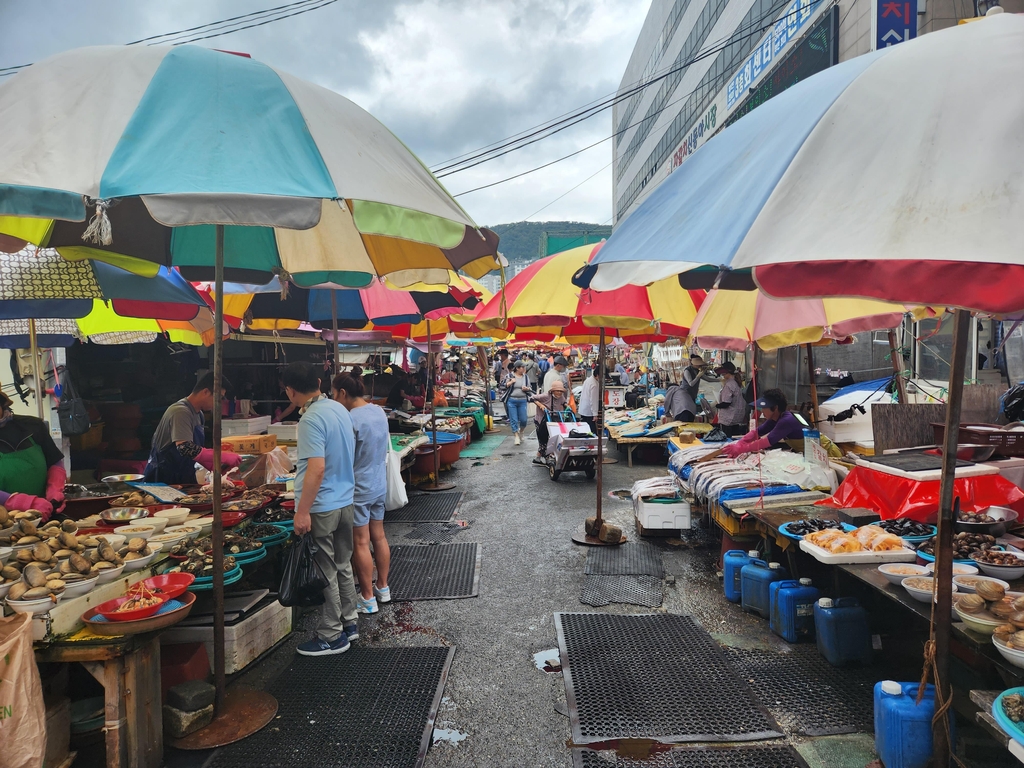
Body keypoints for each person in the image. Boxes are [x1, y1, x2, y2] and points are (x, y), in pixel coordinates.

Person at [286, 362, 360, 657]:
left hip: (323, 506)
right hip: (345, 501)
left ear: (290, 391)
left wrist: (302, 512)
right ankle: (350, 623)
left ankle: (332, 635)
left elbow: (316, 468)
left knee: (327, 569)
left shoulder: (311, 419)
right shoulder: (338, 409)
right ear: (318, 381)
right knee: (343, 565)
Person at [332, 373, 391, 615]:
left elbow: (343, 456)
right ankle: (383, 588)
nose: (333, 398)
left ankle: (367, 597)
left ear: (343, 393)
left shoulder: (349, 418)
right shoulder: (378, 411)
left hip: (359, 487)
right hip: (379, 483)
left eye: (333, 394)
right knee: (379, 536)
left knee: (361, 542)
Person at [144, 371, 240, 485]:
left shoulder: (199, 414)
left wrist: (215, 468)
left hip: (184, 475)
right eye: (219, 398)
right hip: (164, 478)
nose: (219, 403)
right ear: (206, 392)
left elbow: (196, 452)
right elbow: (185, 448)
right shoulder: (180, 412)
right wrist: (219, 456)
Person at [0, 391, 66, 520]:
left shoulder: (32, 426)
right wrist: (18, 502)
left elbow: (54, 461)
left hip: (45, 514)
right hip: (5, 524)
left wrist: (55, 489)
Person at [721, 388, 807, 458]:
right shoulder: (775, 418)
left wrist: (741, 449)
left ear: (775, 408)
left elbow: (767, 441)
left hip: (810, 453)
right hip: (800, 452)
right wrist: (740, 442)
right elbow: (756, 432)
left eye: (764, 407)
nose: (761, 411)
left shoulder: (786, 420)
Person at [529, 379, 569, 463]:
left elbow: (564, 402)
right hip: (541, 420)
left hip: (554, 419)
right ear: (553, 391)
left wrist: (566, 406)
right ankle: (546, 457)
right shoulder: (545, 396)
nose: (559, 393)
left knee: (554, 438)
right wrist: (540, 405)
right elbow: (532, 398)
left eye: (561, 391)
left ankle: (539, 458)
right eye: (557, 391)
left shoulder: (561, 397)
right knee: (543, 439)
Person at [713, 361, 747, 437]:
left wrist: (717, 405)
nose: (723, 375)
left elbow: (726, 403)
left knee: (727, 439)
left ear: (727, 373)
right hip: (737, 417)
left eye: (723, 373)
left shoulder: (729, 385)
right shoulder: (736, 382)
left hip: (729, 418)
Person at [503, 359, 532, 445]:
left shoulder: (525, 377)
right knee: (513, 419)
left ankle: (521, 431)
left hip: (522, 400)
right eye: (522, 367)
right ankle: (516, 436)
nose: (524, 369)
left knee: (524, 419)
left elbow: (530, 387)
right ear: (517, 368)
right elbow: (504, 385)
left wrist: (527, 389)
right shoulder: (510, 376)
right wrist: (511, 382)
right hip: (511, 400)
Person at [578, 366, 601, 431]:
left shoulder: (588, 380)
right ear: (597, 375)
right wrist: (595, 414)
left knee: (584, 429)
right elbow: (593, 400)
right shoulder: (594, 384)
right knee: (591, 430)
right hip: (589, 411)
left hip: (583, 409)